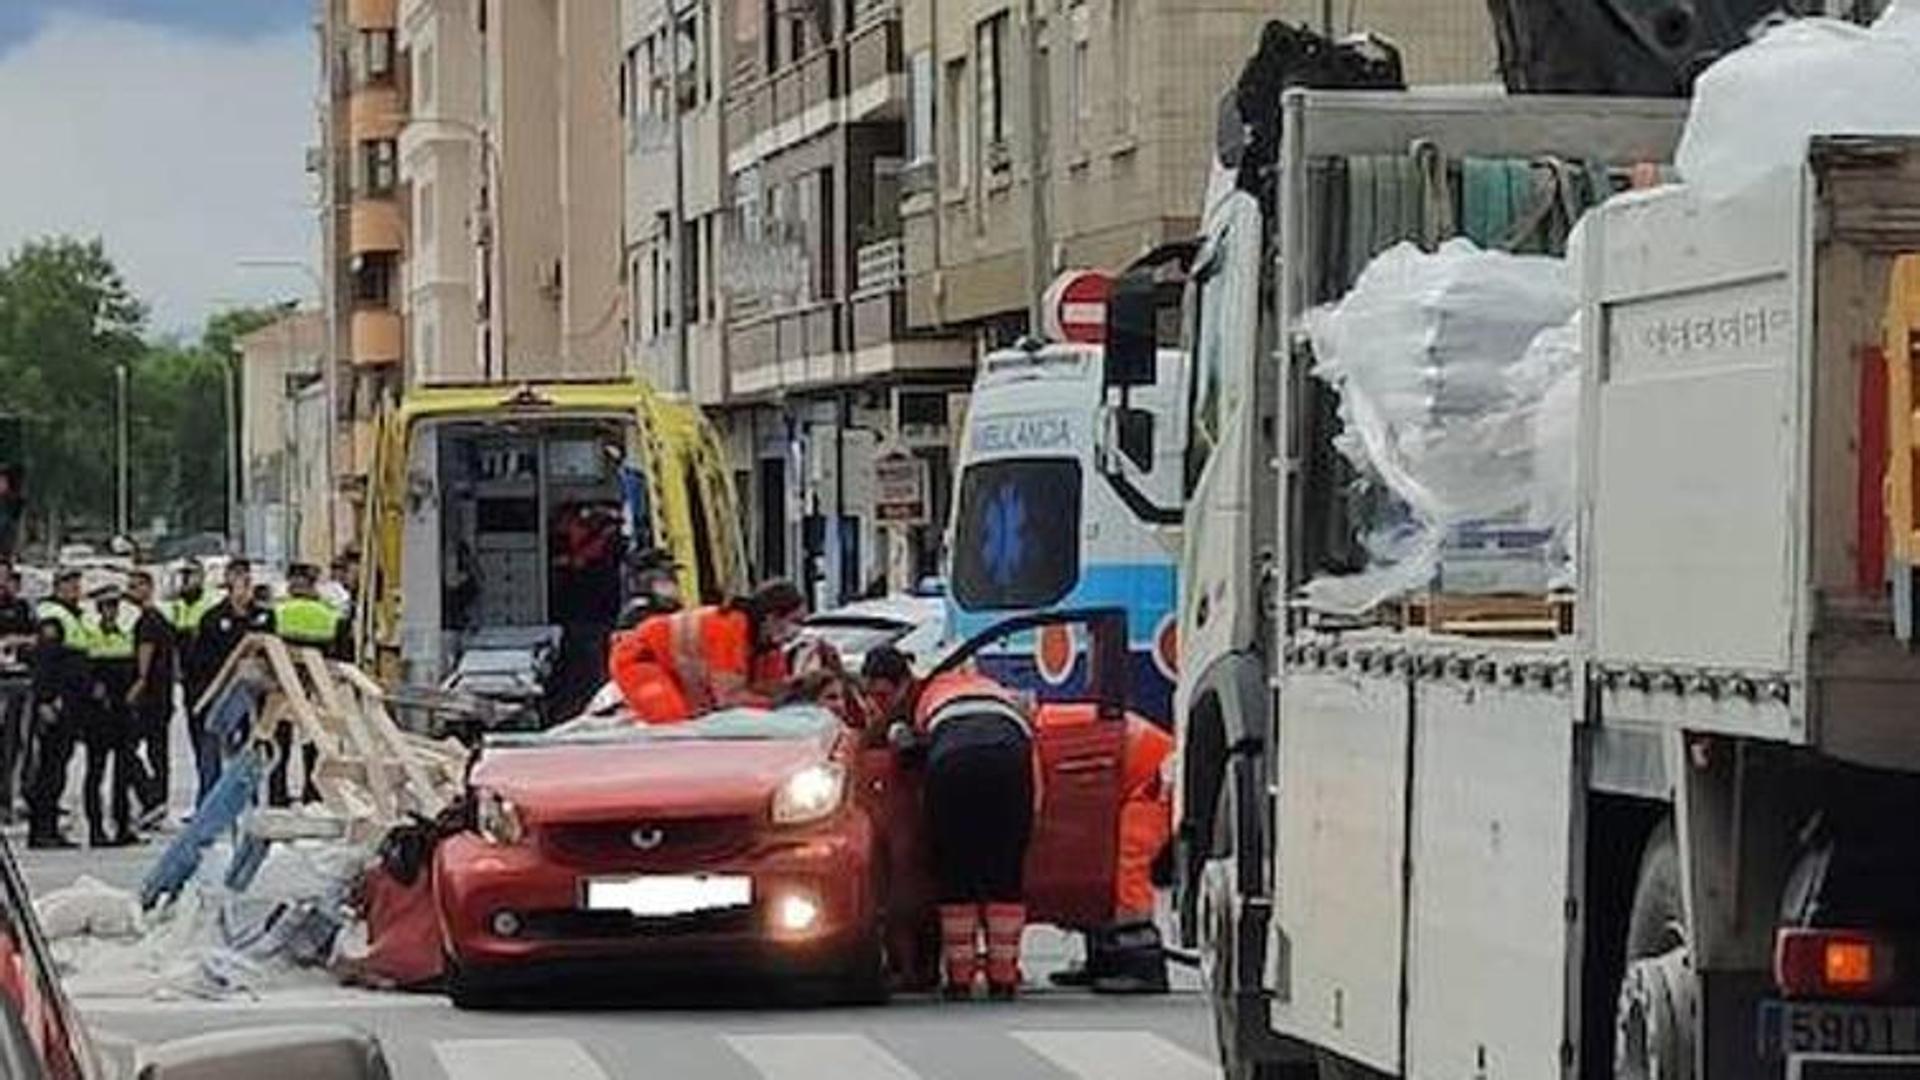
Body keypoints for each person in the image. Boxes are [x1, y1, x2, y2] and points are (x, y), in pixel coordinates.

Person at [913, 668, 1038, 999]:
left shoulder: (927, 696)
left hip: (952, 762)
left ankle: (959, 980)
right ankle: (1004, 978)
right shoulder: (1000, 692)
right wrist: (1027, 824)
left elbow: (909, 748)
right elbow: (1036, 769)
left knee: (954, 871)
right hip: (1009, 758)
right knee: (1006, 874)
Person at [608, 579, 807, 724]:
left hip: (668, 666)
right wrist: (775, 700)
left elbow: (771, 691)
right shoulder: (731, 627)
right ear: (772, 617)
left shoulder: (768, 647)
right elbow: (729, 698)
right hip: (640, 658)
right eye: (796, 621)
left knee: (690, 725)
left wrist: (797, 691)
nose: (799, 630)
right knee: (671, 725)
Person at [184, 560, 271, 804]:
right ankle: (208, 800)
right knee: (211, 745)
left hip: (253, 694)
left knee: (249, 748)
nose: (244, 589)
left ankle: (247, 800)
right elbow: (200, 660)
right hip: (220, 691)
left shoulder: (263, 615)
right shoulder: (212, 618)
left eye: (247, 582)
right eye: (238, 582)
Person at [268, 563, 343, 806]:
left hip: (283, 686)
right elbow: (340, 654)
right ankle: (313, 793)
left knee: (280, 742)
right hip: (318, 687)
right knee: (314, 740)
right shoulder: (330, 615)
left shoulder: (278, 612)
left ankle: (277, 795)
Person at [27, 569, 90, 849]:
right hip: (56, 703)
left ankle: (49, 826)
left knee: (59, 766)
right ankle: (42, 830)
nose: (75, 589)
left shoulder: (73, 614)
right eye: (69, 584)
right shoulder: (53, 616)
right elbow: (46, 663)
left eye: (77, 584)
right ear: (58, 587)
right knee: (49, 769)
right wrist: (46, 700)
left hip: (71, 702)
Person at [80, 583, 140, 848]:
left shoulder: (125, 636)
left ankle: (123, 825)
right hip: (98, 715)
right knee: (96, 771)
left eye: (114, 606)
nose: (111, 611)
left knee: (123, 772)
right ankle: (96, 828)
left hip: (123, 713)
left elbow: (134, 672)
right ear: (98, 609)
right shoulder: (90, 636)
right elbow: (86, 676)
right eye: (106, 606)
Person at [125, 570, 177, 828]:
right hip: (163, 693)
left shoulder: (148, 620)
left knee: (128, 747)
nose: (131, 592)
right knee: (158, 750)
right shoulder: (160, 618)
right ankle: (158, 800)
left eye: (135, 587)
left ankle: (151, 798)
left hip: (151, 695)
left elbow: (146, 651)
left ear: (148, 588)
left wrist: (139, 682)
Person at [0, 566, 36, 824]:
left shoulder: (21, 608)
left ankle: (18, 798)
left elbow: (37, 636)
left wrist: (18, 641)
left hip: (18, 680)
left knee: (17, 743)